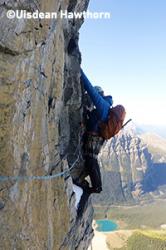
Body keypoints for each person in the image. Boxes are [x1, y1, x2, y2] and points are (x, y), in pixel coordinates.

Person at [80, 68, 113, 194]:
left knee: (90, 159)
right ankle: (97, 186)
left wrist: (79, 70)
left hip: (95, 137)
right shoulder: (106, 106)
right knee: (92, 159)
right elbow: (95, 118)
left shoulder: (101, 104)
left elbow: (89, 87)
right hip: (98, 136)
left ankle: (97, 186)